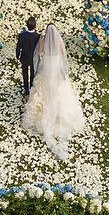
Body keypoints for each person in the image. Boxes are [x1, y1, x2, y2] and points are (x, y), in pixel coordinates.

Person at [23, 24, 87, 160]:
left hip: (46, 71)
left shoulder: (42, 40)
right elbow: (63, 54)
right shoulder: (59, 41)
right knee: (60, 93)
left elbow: (39, 54)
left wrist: (44, 56)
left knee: (41, 91)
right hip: (56, 73)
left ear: (47, 31)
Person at [16, 17, 42, 97]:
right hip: (33, 58)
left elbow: (18, 47)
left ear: (26, 25)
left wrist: (17, 55)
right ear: (35, 26)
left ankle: (26, 89)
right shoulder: (38, 36)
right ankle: (31, 86)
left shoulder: (22, 35)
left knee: (24, 72)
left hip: (24, 57)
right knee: (32, 73)